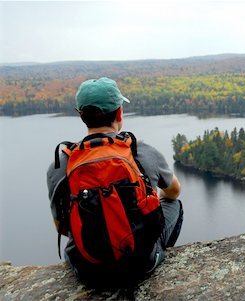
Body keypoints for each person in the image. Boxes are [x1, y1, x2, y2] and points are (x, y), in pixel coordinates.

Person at [47, 77, 183, 287]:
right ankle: (150, 255)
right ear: (119, 113)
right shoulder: (142, 151)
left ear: (81, 115)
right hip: (140, 266)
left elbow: (62, 226)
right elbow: (174, 192)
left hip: (88, 272)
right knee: (174, 206)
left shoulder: (61, 164)